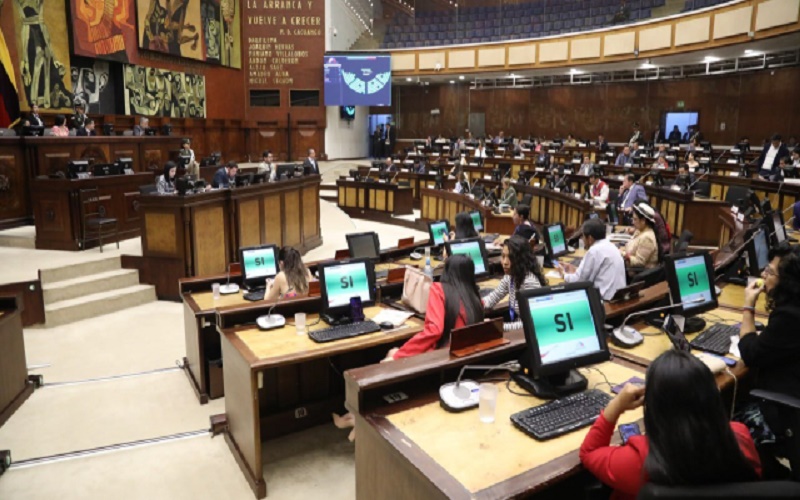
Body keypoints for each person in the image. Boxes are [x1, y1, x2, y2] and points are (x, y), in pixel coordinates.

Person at [580, 350, 761, 500]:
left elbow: (589, 452)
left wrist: (616, 405)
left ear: (653, 407)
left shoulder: (640, 461)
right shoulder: (739, 436)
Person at [737, 243, 800, 463]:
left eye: (770, 272)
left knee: (725, 411)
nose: (764, 275)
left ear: (788, 283)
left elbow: (750, 353)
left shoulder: (790, 316)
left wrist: (748, 306)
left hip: (785, 409)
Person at [386, 254, 484, 360]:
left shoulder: (439, 290)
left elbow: (434, 330)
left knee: (391, 353)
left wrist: (398, 355)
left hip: (442, 358)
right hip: (468, 357)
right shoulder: (476, 297)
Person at [482, 236, 546, 332]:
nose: (505, 262)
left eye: (510, 257)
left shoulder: (529, 282)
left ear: (521, 259)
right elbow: (492, 298)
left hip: (527, 334)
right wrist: (472, 307)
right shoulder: (510, 276)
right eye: (503, 256)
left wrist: (497, 327)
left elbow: (529, 324)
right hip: (517, 328)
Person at [557, 218, 626, 300]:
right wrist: (575, 270)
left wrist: (564, 275)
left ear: (590, 238)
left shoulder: (594, 251)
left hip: (605, 300)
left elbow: (580, 282)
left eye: (582, 236)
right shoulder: (611, 246)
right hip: (619, 296)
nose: (582, 239)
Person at [622, 202, 660, 269]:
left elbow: (639, 262)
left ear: (643, 221)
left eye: (635, 219)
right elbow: (630, 248)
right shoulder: (640, 231)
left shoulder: (647, 238)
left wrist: (623, 254)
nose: (633, 222)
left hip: (636, 274)